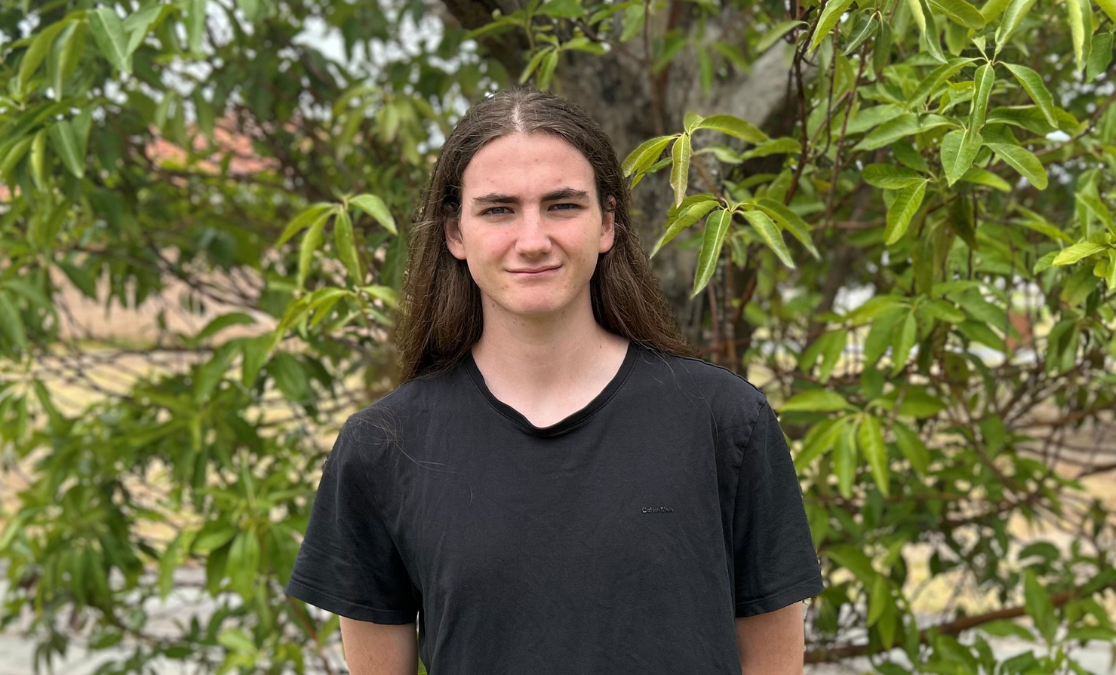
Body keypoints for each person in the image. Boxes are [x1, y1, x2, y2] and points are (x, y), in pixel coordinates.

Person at [285, 88, 824, 675]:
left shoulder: (725, 422)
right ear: (454, 234)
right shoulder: (382, 447)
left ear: (607, 224)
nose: (534, 239)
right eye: (498, 210)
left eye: (563, 205)